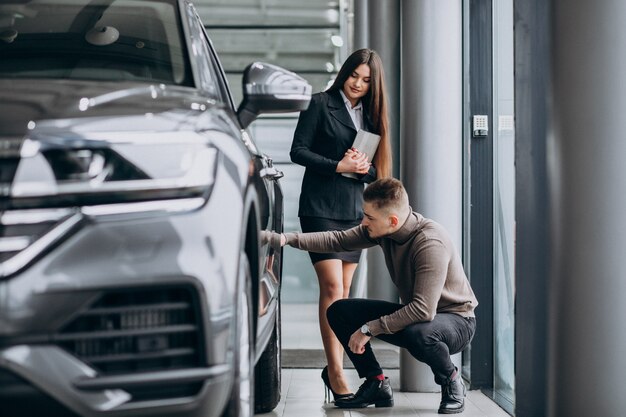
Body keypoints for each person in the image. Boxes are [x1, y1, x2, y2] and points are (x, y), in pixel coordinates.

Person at [277, 178, 478, 414]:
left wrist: (368, 329)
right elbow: (338, 240)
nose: (363, 222)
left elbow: (424, 310)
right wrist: (287, 239)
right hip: (420, 315)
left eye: (369, 217)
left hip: (456, 320)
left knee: (419, 333)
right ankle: (376, 382)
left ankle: (451, 380)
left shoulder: (430, 242)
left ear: (392, 220)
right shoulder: (383, 229)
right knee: (339, 311)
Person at [289, 48, 393, 401]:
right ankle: (335, 372)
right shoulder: (320, 103)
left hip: (352, 211)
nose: (358, 85)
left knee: (343, 298)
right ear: (344, 72)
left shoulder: (372, 116)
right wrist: (338, 165)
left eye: (366, 81)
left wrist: (363, 169)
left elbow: (378, 173)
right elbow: (298, 151)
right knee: (333, 290)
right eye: (354, 76)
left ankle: (338, 367)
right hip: (319, 208)